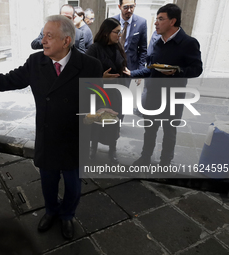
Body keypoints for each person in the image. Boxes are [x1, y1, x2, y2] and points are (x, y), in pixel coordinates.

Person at [0, 15, 103, 240]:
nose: (43, 40)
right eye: (43, 35)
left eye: (49, 36)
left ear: (66, 40)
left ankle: (68, 215)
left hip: (75, 139)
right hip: (48, 135)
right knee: (48, 182)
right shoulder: (36, 62)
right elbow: (5, 81)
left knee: (73, 185)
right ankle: (51, 211)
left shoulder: (90, 66)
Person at [124, 4, 203, 166]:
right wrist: (131, 73)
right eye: (157, 19)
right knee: (150, 128)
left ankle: (165, 162)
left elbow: (197, 69)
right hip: (153, 93)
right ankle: (145, 157)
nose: (156, 23)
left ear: (173, 21)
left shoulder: (189, 43)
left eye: (161, 19)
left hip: (173, 96)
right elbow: (152, 69)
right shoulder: (157, 42)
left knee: (169, 130)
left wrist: (176, 71)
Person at [86, 18, 128, 164]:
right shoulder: (94, 49)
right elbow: (85, 72)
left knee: (114, 122)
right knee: (97, 123)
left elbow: (121, 67)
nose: (119, 35)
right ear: (106, 32)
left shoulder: (118, 47)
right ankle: (93, 148)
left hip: (116, 93)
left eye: (120, 32)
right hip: (98, 93)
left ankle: (112, 150)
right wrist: (100, 78)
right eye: (117, 32)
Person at [112, 0, 147, 82]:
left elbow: (143, 50)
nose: (129, 10)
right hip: (113, 65)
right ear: (119, 7)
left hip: (130, 68)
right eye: (126, 7)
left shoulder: (141, 23)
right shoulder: (112, 21)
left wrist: (140, 71)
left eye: (132, 7)